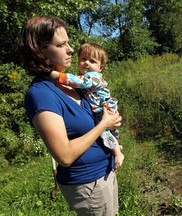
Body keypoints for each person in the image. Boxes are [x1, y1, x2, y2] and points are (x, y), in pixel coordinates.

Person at [19, 15, 122, 215]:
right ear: (41, 52)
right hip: (88, 184)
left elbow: (95, 114)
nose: (71, 50)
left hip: (105, 172)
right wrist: (104, 124)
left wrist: (110, 124)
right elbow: (64, 156)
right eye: (62, 44)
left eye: (69, 43)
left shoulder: (73, 85)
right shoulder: (41, 93)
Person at [49, 43, 124, 169]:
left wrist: (57, 76)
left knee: (105, 132)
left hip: (104, 109)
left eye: (92, 61)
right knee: (107, 131)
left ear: (101, 67)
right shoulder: (84, 76)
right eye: (83, 59)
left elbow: (78, 82)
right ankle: (115, 146)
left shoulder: (93, 78)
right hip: (100, 108)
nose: (86, 63)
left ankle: (117, 153)